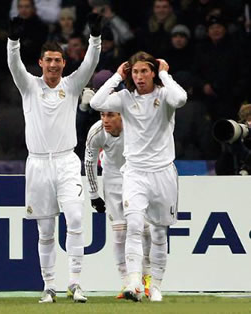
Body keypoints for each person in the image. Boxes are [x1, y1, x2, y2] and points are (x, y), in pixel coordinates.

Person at [7, 14, 102, 303]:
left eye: (57, 60)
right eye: (48, 60)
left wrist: (95, 38)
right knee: (45, 230)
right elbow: (14, 65)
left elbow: (90, 64)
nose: (53, 64)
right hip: (37, 165)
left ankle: (75, 282)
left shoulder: (72, 86)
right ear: (40, 63)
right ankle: (49, 285)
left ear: (63, 63)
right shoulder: (30, 87)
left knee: (75, 218)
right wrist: (13, 42)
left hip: (66, 162)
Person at [90, 52, 187, 302]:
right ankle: (134, 282)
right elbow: (96, 103)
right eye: (135, 72)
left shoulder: (164, 94)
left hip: (163, 172)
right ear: (129, 74)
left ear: (152, 72)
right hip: (134, 173)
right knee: (133, 226)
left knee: (158, 232)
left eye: (144, 71)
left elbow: (181, 98)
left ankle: (155, 285)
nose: (140, 76)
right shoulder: (124, 98)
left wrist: (165, 73)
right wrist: (116, 77)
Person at [84, 111, 152, 299]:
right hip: (112, 178)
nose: (105, 120)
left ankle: (147, 278)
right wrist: (93, 194)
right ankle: (128, 282)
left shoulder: (135, 126)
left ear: (122, 115)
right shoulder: (96, 132)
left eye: (111, 115)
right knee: (120, 232)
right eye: (102, 115)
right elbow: (89, 162)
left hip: (136, 175)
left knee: (143, 229)